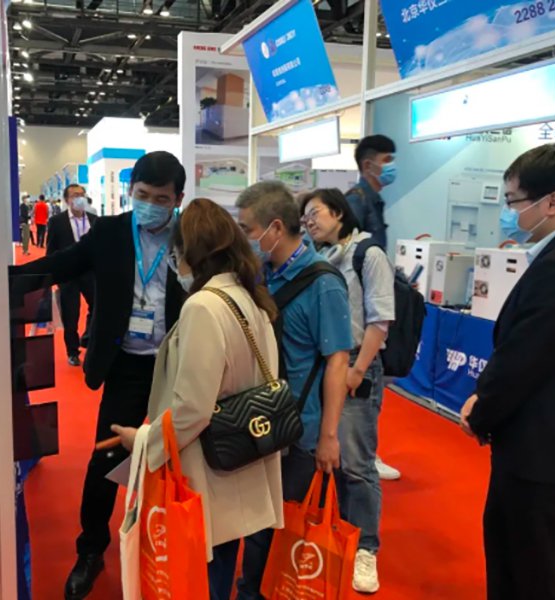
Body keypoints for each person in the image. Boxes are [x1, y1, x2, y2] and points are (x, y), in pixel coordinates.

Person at [15, 151, 186, 600]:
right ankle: (91, 549)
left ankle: (175, 542)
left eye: (162, 198)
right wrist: (2, 282)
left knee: (179, 459)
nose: (151, 205)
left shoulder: (192, 236)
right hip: (126, 363)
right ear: (131, 191)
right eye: (143, 195)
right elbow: (62, 264)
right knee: (106, 458)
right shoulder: (109, 232)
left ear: (178, 199)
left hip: (179, 367)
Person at [460, 143, 555, 600]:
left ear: (552, 202)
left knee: (536, 576)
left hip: (545, 448)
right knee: (516, 563)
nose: (509, 212)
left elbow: (525, 358)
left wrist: (482, 410)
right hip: (540, 442)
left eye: (514, 201)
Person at [111, 198, 284, 600]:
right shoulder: (249, 298)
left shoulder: (203, 307)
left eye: (177, 254)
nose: (176, 264)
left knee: (201, 579)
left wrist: (143, 442)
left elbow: (192, 408)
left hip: (207, 469)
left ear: (191, 253)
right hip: (239, 458)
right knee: (219, 569)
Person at [234, 181, 352, 599]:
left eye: (248, 229)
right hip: (259, 420)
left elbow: (338, 360)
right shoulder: (261, 273)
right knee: (255, 525)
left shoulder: (324, 283)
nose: (244, 238)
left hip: (300, 430)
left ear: (275, 228)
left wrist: (329, 437)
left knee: (282, 530)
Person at [301, 188, 395, 594]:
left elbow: (380, 319)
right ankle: (338, 533)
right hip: (323, 364)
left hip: (356, 362)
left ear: (339, 213)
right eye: (304, 217)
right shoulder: (318, 256)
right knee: (327, 457)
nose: (309, 222)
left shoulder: (367, 254)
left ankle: (366, 548)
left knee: (356, 463)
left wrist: (357, 370)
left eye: (315, 213)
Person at [345, 135, 401, 482]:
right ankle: (364, 454)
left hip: (371, 309)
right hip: (361, 316)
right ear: (369, 164)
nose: (392, 166)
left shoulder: (372, 200)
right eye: (388, 159)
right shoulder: (358, 201)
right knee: (364, 387)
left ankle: (364, 450)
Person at [46, 184, 97, 366]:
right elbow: (51, 250)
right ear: (67, 200)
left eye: (82, 194)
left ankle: (88, 337)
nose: (80, 198)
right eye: (75, 195)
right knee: (70, 314)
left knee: (97, 307)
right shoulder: (57, 221)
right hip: (68, 275)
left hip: (90, 273)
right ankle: (72, 351)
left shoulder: (94, 220)